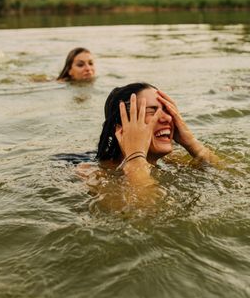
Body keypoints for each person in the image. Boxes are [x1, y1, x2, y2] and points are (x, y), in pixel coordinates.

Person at [77, 82, 218, 207]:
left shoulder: (170, 161)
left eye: (167, 110)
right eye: (152, 111)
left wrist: (191, 143)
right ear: (122, 127)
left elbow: (226, 173)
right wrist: (135, 158)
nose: (168, 118)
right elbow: (146, 214)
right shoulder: (92, 173)